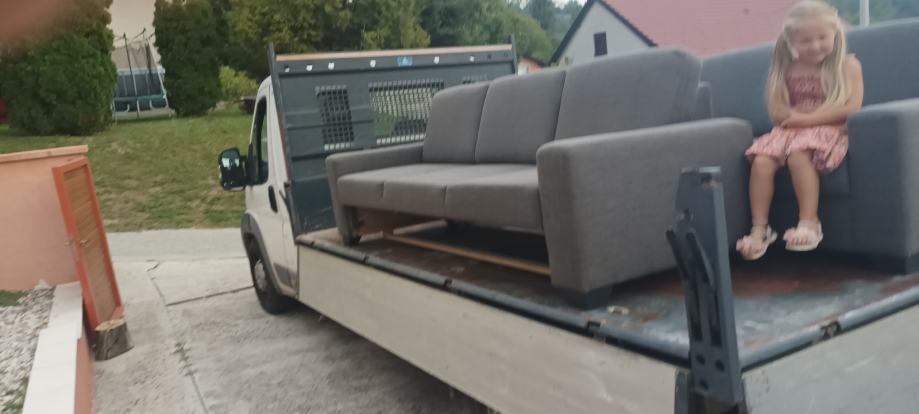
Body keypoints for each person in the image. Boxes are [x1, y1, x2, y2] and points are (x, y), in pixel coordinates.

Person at [736, 0, 864, 260]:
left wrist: (805, 120)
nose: (815, 46)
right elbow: (777, 112)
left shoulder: (848, 66)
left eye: (822, 38)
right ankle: (760, 229)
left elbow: (852, 109)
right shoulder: (787, 69)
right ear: (791, 42)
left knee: (798, 154)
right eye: (806, 41)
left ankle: (809, 222)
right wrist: (794, 122)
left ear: (835, 34)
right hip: (790, 131)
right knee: (761, 161)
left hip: (828, 130)